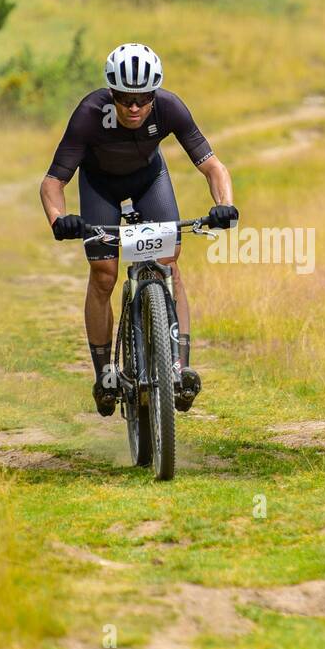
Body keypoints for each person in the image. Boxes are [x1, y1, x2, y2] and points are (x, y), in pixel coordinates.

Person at [40, 43, 237, 416]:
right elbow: (52, 183)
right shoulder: (89, 114)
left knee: (168, 262)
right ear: (111, 92)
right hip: (100, 187)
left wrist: (223, 203)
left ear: (154, 93)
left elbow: (214, 166)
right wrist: (58, 218)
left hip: (150, 182)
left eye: (143, 98)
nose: (134, 107)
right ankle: (106, 375)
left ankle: (177, 369)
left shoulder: (169, 107)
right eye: (125, 98)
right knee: (104, 274)